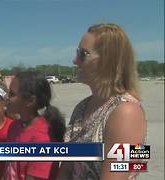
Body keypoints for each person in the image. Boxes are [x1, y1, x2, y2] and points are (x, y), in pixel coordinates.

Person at [58, 23, 147, 180]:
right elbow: (66, 170)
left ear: (108, 61)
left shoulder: (128, 112)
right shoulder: (82, 107)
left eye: (82, 54)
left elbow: (121, 173)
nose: (74, 60)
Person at [5, 71, 66, 180]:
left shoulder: (42, 138)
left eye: (12, 94)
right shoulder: (14, 127)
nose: (6, 97)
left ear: (30, 100)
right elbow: (9, 168)